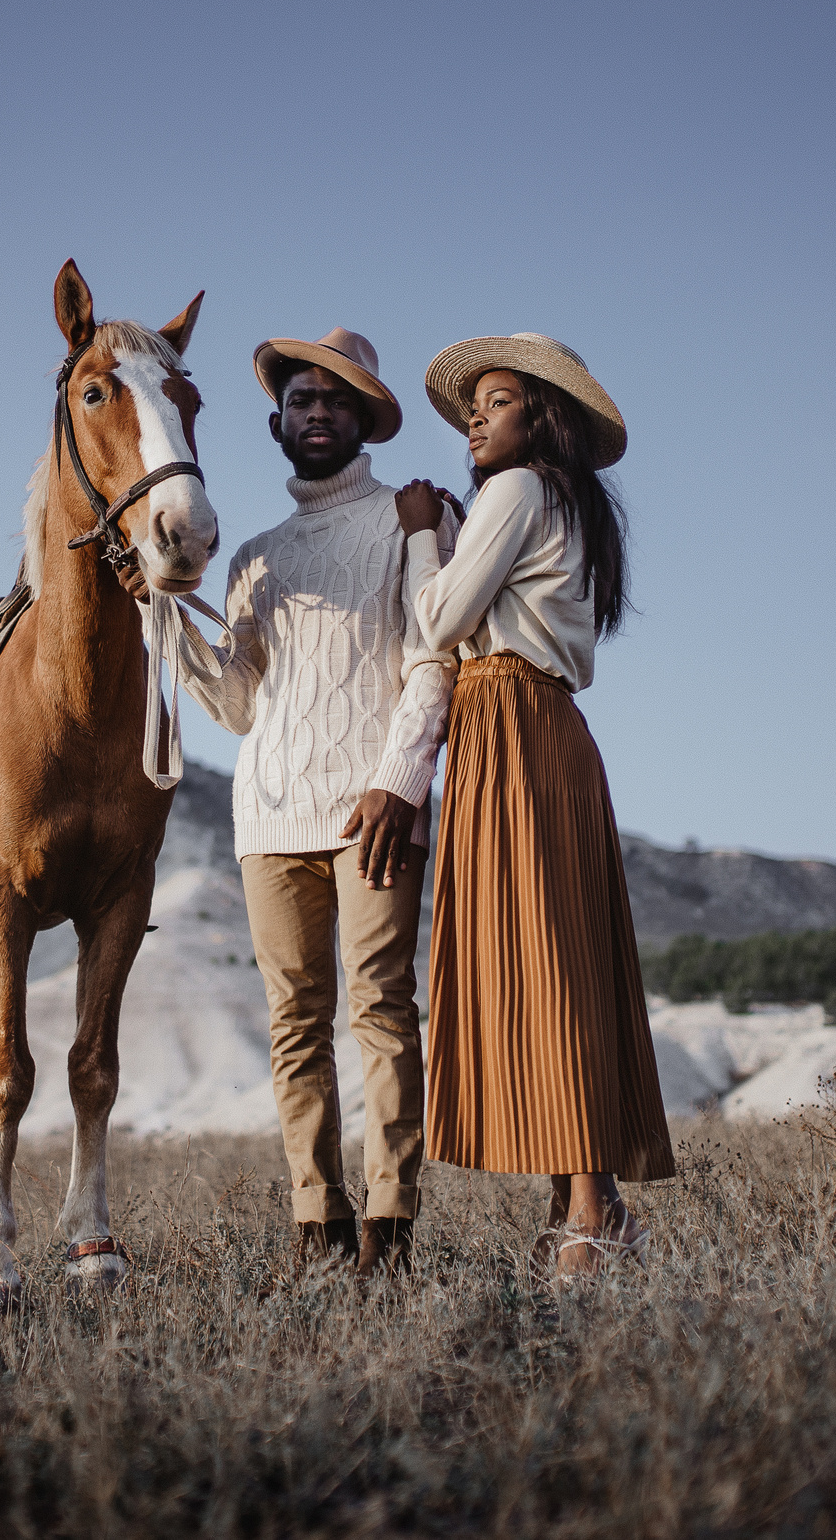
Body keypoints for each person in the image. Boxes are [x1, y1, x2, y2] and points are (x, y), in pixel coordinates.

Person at [165, 326, 459, 1275]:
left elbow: (435, 660)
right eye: (302, 401)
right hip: (270, 813)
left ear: (363, 416)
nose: (318, 413)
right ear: (276, 422)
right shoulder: (252, 556)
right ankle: (315, 1224)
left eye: (335, 400)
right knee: (294, 1023)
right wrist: (162, 613)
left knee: (380, 1007)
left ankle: (392, 1226)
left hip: (372, 806)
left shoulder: (412, 520)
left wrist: (398, 782)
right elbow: (242, 703)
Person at [393, 333, 675, 1279]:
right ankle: (581, 1205)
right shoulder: (563, 504)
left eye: (498, 398)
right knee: (561, 959)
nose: (476, 413)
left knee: (542, 963)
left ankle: (591, 1212)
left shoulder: (517, 492)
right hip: (542, 728)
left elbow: (436, 618)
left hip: (506, 722)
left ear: (542, 415)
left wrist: (423, 534)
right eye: (475, 401)